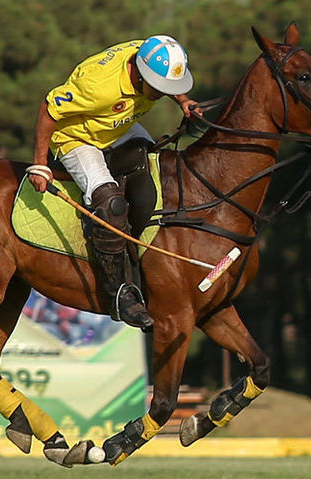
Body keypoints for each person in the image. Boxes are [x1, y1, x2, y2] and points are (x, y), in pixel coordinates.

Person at [26, 35, 202, 330]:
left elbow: (166, 79)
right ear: (140, 74)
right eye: (159, 89)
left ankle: (148, 260)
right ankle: (119, 291)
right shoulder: (98, 87)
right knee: (110, 203)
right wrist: (40, 164)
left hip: (116, 126)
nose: (160, 95)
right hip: (77, 138)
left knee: (160, 172)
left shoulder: (151, 54)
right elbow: (48, 110)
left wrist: (184, 101)